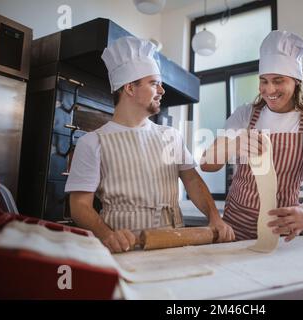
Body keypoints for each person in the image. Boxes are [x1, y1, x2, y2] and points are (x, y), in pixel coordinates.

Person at [66, 36, 234, 253]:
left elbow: (192, 180)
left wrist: (214, 217)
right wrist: (108, 235)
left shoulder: (171, 136)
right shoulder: (92, 142)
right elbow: (79, 206)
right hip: (127, 247)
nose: (162, 91)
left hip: (175, 242)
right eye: (154, 83)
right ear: (129, 88)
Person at [200, 30, 303, 241]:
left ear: (296, 81)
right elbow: (206, 164)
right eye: (264, 81)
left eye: (278, 81)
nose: (269, 89)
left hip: (281, 229)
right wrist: (234, 145)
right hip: (234, 227)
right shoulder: (244, 115)